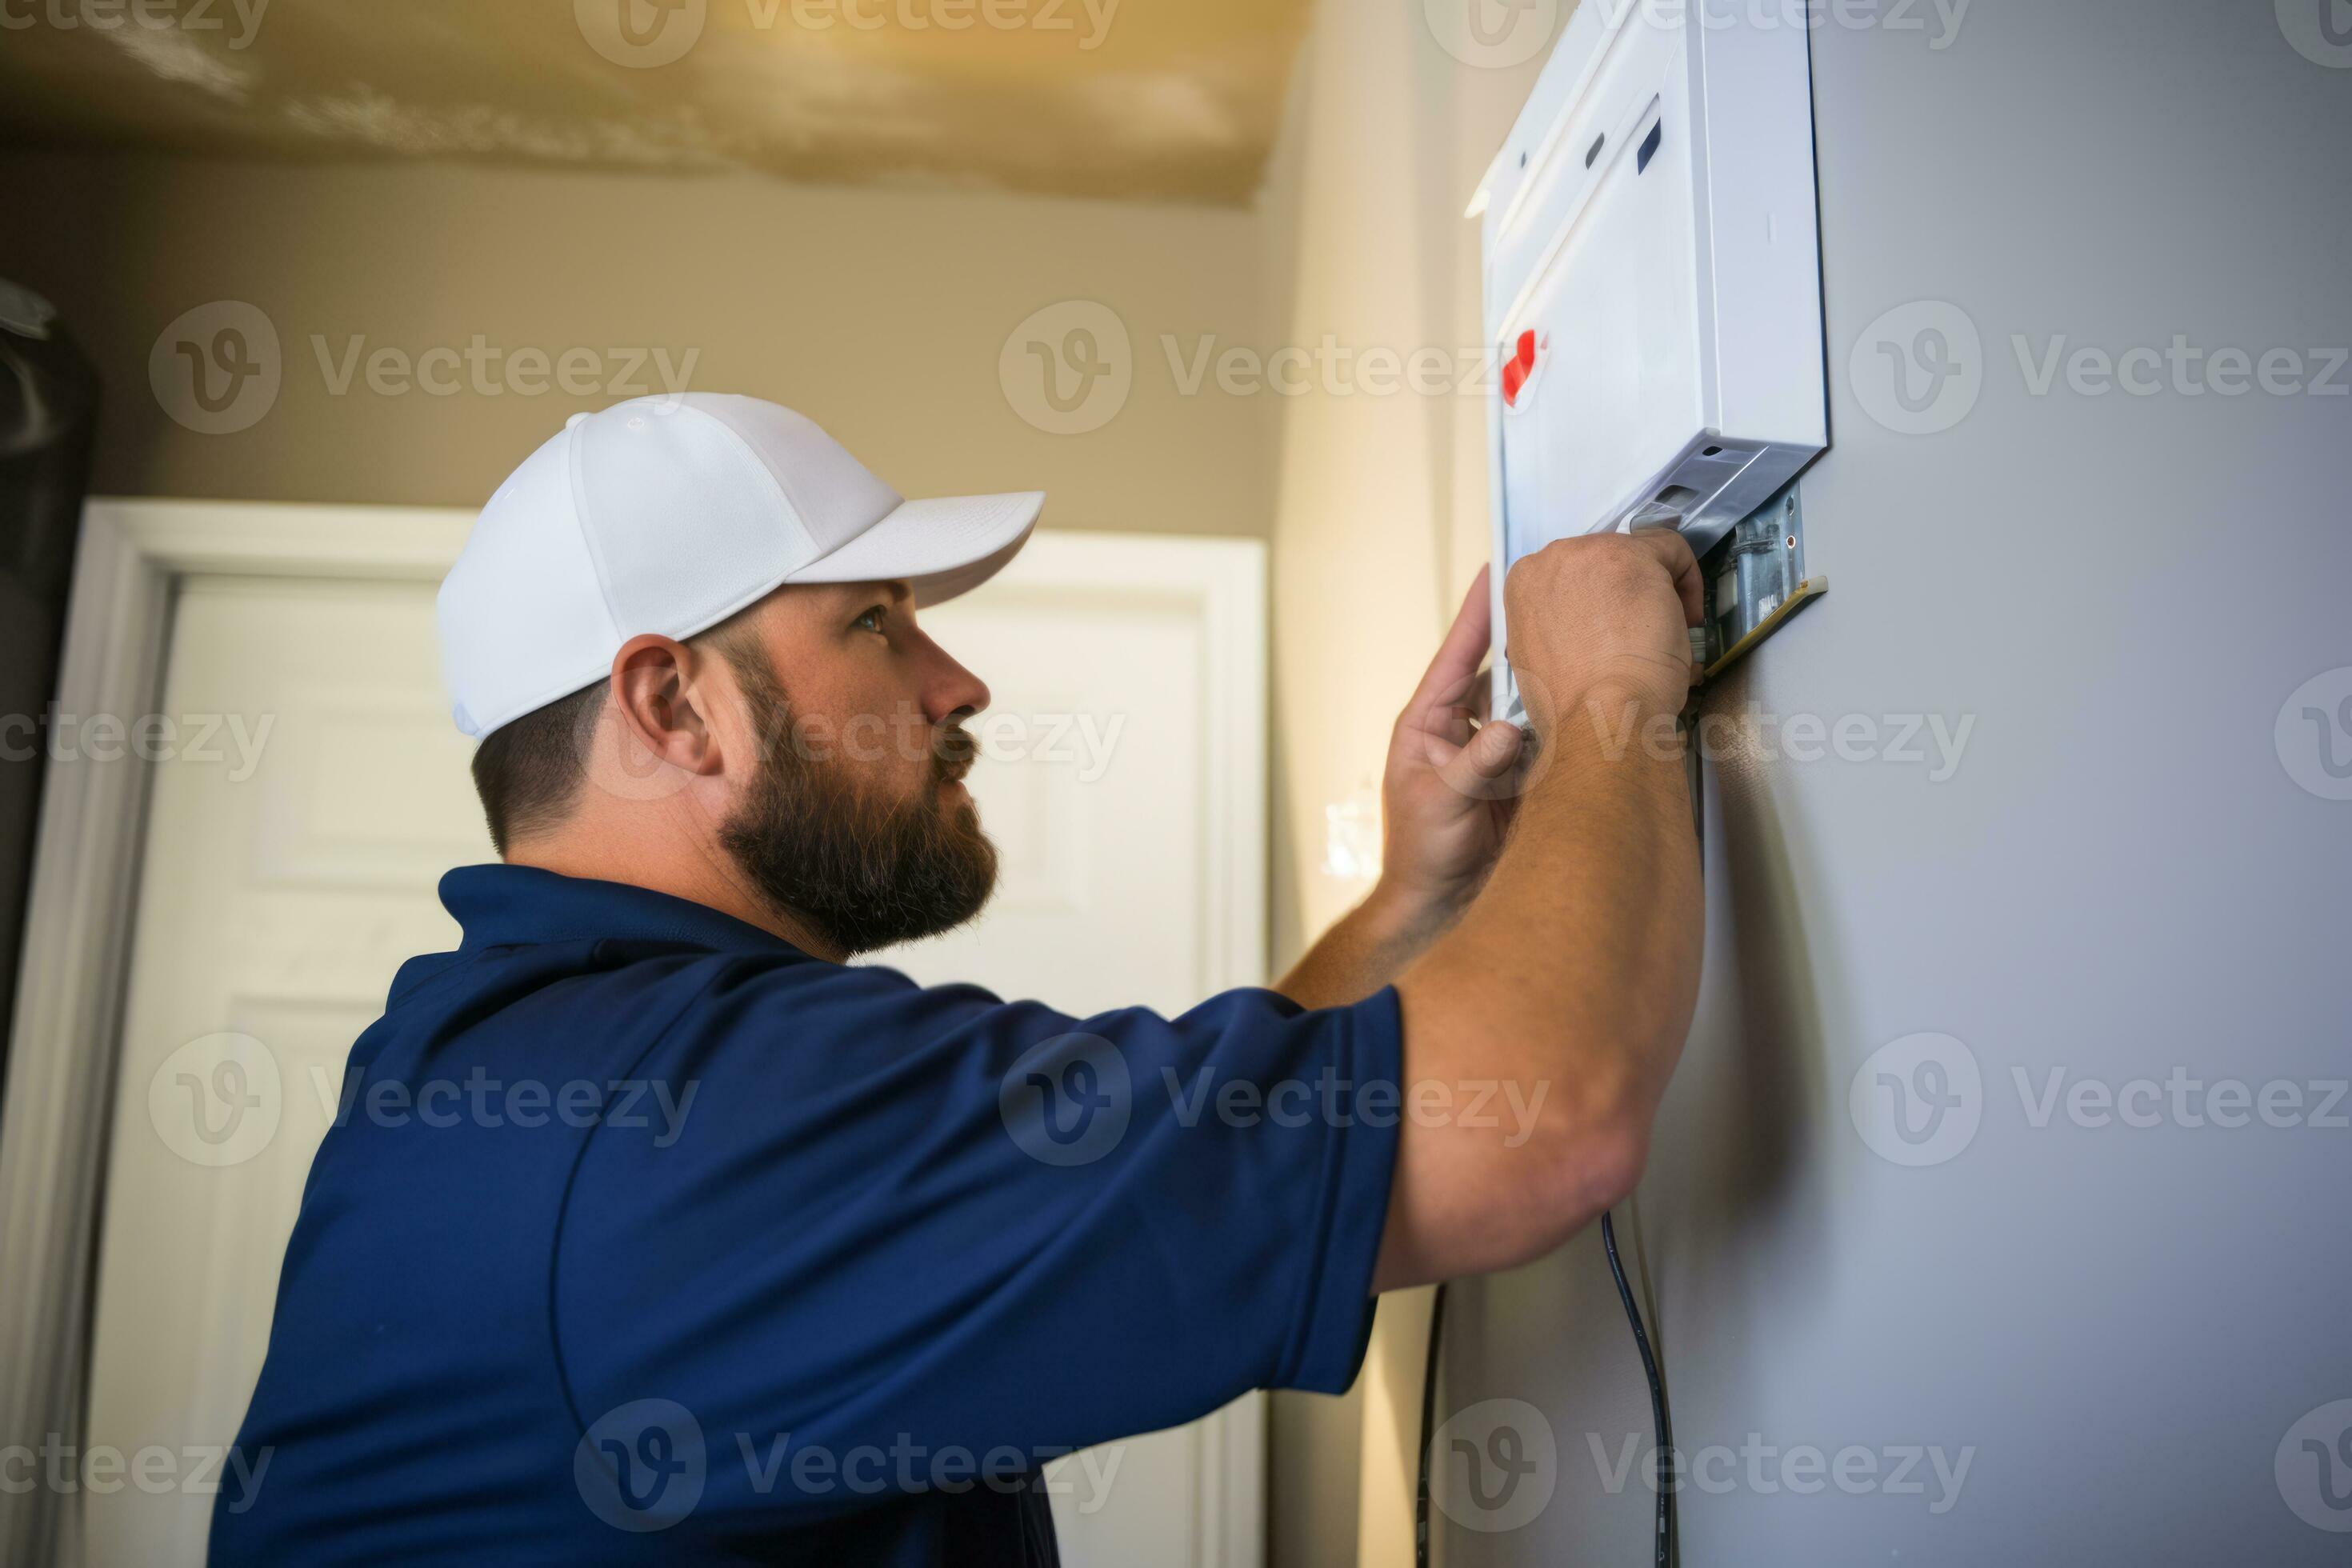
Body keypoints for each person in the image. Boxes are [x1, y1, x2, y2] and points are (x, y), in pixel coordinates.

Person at [212, 394, 1704, 1565]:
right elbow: (1544, 1124)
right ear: (675, 705)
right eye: (875, 622)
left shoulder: (526, 1072)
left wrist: (1410, 899)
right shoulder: (694, 1116)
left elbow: (1198, 1156)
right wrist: (1607, 695)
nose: (959, 682)